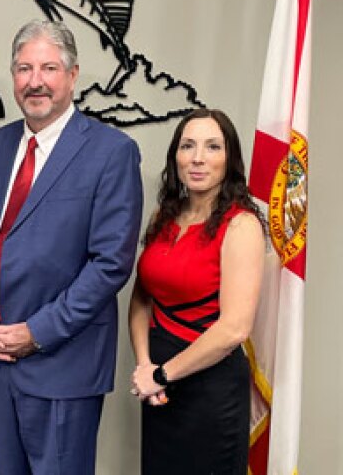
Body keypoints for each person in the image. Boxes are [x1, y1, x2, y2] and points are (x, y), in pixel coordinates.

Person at [0, 20, 143, 475]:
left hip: (62, 365)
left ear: (74, 75)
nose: (34, 81)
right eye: (23, 68)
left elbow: (110, 265)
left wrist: (36, 332)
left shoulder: (111, 151)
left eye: (48, 68)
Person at [128, 108, 265, 474]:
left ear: (229, 158)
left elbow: (234, 328)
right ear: (176, 157)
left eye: (212, 147)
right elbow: (141, 298)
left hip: (211, 390)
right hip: (158, 388)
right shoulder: (164, 217)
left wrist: (162, 374)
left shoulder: (242, 226)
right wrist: (144, 366)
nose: (198, 158)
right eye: (188, 146)